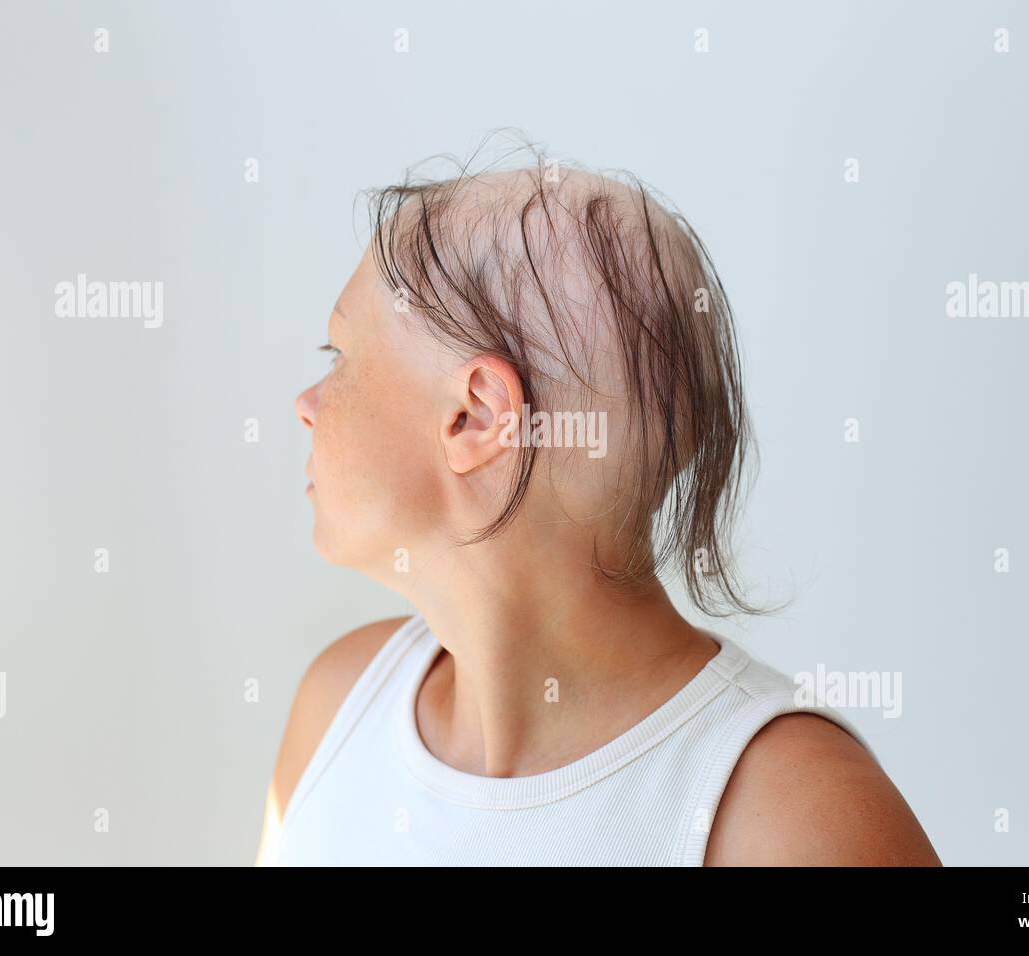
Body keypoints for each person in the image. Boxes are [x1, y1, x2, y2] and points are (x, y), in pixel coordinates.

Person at [254, 149, 940, 866]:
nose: (306, 406)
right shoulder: (341, 703)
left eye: (339, 355)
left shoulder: (791, 817)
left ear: (477, 417)